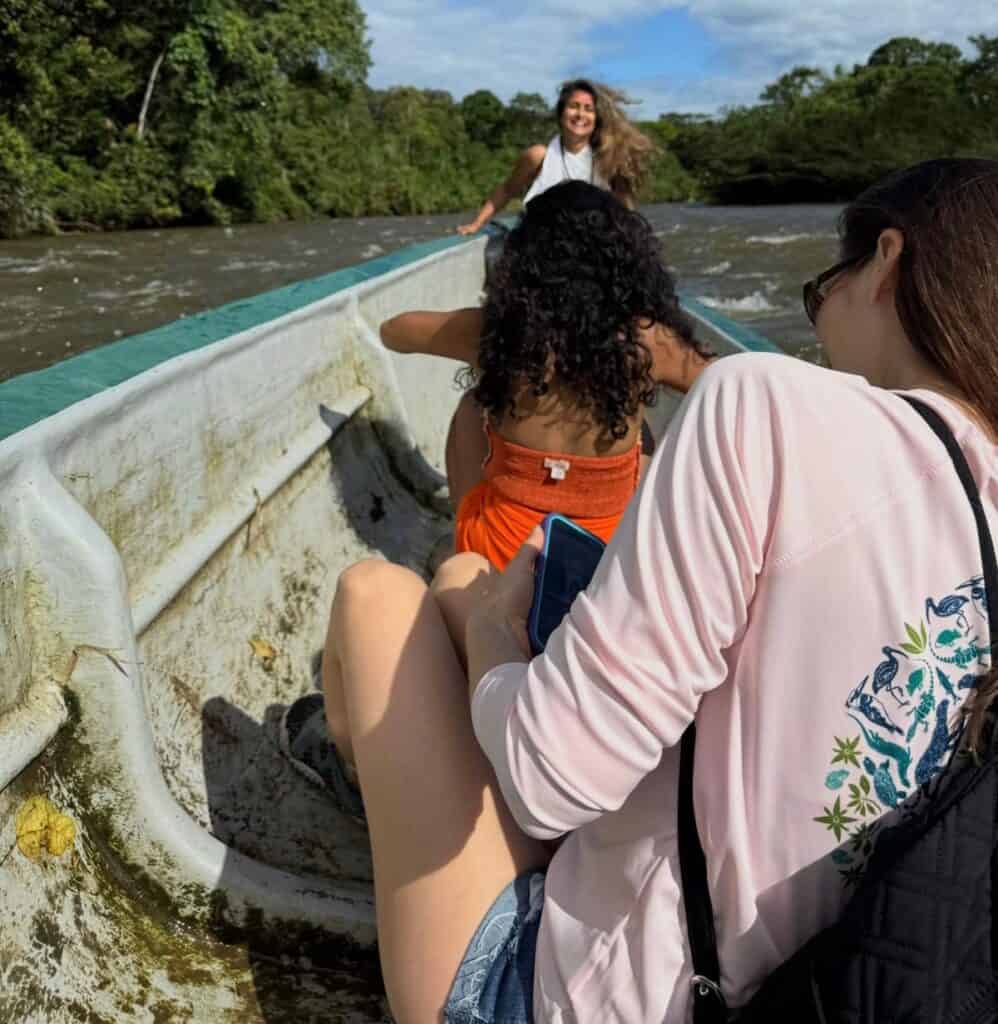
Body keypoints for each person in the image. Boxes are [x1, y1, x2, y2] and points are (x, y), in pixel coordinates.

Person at [284, 157, 998, 1023]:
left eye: (824, 286)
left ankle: (348, 762)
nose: (818, 312)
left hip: (578, 996)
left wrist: (492, 634)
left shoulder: (768, 403)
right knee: (465, 587)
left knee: (378, 594)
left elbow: (547, 779)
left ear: (888, 260)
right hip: (801, 986)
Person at [381, 180, 713, 571]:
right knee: (641, 437)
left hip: (505, 551)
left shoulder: (499, 332)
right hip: (606, 552)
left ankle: (465, 544)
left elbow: (394, 332)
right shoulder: (650, 339)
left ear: (525, 260)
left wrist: (477, 338)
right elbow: (730, 383)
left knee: (473, 403)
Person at [456, 78, 654, 235]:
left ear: (597, 119)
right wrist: (476, 224)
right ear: (561, 113)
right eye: (573, 106)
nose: (580, 114)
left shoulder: (608, 158)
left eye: (588, 109)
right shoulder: (538, 156)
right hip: (542, 247)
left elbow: (625, 209)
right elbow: (507, 190)